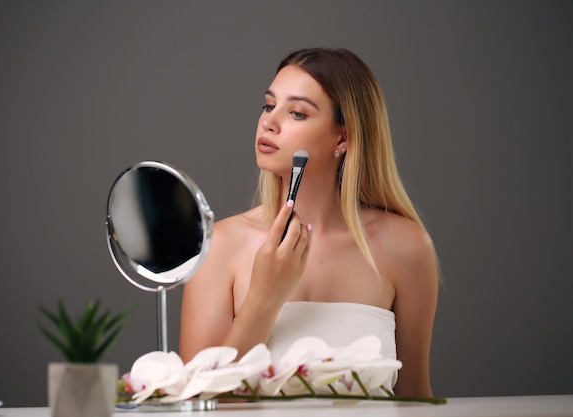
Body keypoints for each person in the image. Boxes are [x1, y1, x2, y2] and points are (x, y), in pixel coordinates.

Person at [179, 48, 438, 397]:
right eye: (269, 105)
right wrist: (263, 300)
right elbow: (196, 404)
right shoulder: (219, 246)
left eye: (297, 113)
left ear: (343, 138)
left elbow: (415, 399)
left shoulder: (406, 246)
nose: (269, 122)